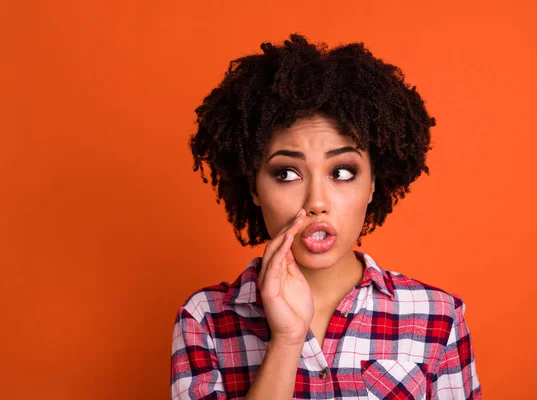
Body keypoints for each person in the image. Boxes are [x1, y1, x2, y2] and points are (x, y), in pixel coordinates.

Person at [170, 34, 481, 400]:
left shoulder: (437, 317)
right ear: (253, 187)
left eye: (342, 172)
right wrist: (286, 340)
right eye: (286, 173)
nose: (316, 201)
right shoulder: (205, 319)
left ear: (372, 185)